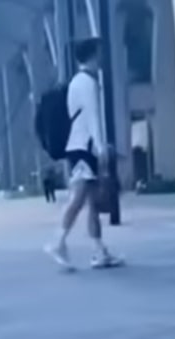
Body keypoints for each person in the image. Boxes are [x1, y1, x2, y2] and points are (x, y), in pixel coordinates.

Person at [45, 37, 122, 271]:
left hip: (79, 147)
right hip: (83, 148)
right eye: (100, 52)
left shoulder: (78, 81)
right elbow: (93, 116)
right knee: (79, 199)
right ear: (92, 54)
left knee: (89, 202)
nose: (102, 57)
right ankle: (57, 242)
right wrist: (100, 147)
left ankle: (99, 251)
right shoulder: (87, 82)